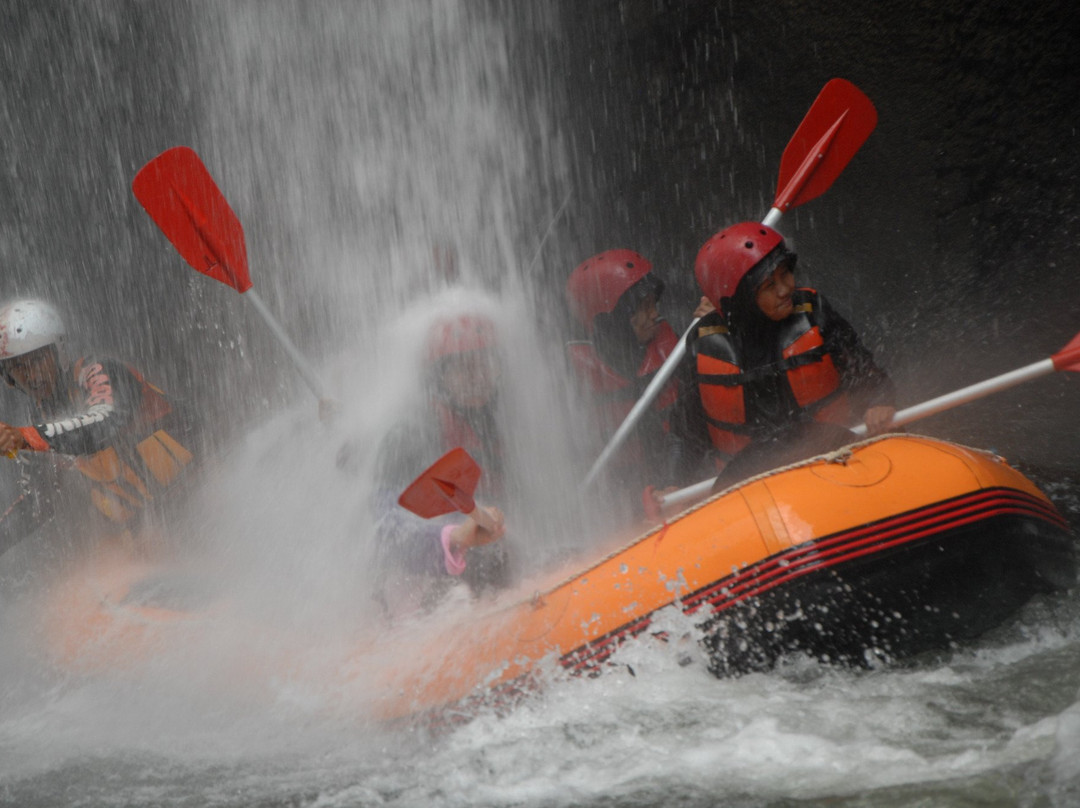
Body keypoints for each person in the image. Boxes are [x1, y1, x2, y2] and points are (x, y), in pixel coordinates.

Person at [663, 222, 896, 492]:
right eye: (769, 285)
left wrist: (880, 402)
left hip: (835, 461)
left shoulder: (814, 314)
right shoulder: (704, 346)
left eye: (785, 274)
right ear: (740, 300)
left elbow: (865, 374)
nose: (785, 289)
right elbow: (686, 433)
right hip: (750, 487)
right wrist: (671, 484)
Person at [0, 299, 197, 554]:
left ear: (58, 352)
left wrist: (25, 437)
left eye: (38, 360)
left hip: (206, 477)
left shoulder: (96, 371)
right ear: (8, 378)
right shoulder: (39, 421)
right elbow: (40, 501)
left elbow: (104, 423)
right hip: (160, 521)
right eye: (18, 367)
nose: (31, 374)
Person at [352, 312, 510, 617]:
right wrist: (455, 537)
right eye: (463, 368)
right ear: (439, 377)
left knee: (506, 556)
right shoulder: (408, 437)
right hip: (415, 586)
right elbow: (386, 528)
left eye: (485, 363)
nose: (478, 376)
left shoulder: (498, 423)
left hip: (479, 566)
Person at [564, 250, 688, 495]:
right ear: (611, 322)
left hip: (679, 482)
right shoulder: (572, 382)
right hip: (621, 495)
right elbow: (576, 461)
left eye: (653, 303)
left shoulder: (678, 349)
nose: (655, 314)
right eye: (643, 307)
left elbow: (688, 434)